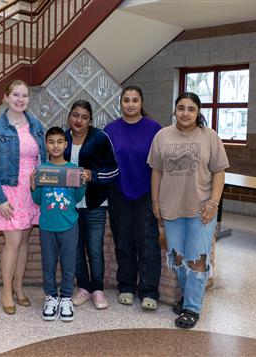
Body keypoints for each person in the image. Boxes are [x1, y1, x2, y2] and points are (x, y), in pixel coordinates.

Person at [148, 92, 229, 329]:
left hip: (201, 208)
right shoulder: (162, 136)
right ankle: (189, 296)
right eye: (181, 108)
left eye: (191, 109)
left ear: (198, 112)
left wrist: (213, 203)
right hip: (171, 207)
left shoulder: (210, 137)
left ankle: (192, 308)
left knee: (197, 259)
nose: (185, 113)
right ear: (175, 111)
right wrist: (155, 202)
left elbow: (219, 172)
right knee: (178, 257)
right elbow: (156, 171)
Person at [0, 80, 47, 315]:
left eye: (25, 96)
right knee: (13, 242)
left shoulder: (36, 124)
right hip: (8, 189)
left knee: (25, 240)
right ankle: (6, 290)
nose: (20, 100)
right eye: (16, 95)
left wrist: (42, 187)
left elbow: (43, 158)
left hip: (31, 191)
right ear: (6, 97)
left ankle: (19, 287)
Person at [104, 85, 162, 311]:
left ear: (141, 103)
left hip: (146, 194)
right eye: (126, 100)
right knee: (124, 241)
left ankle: (149, 291)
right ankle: (126, 287)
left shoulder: (154, 129)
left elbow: (160, 165)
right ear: (121, 103)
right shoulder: (110, 130)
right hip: (119, 194)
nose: (130, 104)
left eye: (135, 100)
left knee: (147, 242)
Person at [63, 100, 118, 310]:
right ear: (69, 116)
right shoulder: (63, 137)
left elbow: (114, 170)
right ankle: (83, 288)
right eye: (75, 115)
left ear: (90, 120)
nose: (79, 120)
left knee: (94, 248)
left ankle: (98, 290)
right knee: (75, 249)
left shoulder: (100, 138)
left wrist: (92, 175)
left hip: (95, 203)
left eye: (84, 117)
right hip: (69, 205)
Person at [30, 127, 86, 322]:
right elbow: (38, 200)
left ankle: (66, 298)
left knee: (69, 263)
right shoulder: (41, 170)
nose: (55, 145)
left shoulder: (72, 169)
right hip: (47, 225)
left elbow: (77, 197)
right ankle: (51, 297)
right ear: (46, 145)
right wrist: (33, 186)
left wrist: (83, 183)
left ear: (66, 144)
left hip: (69, 224)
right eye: (51, 141)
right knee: (49, 263)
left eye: (59, 141)